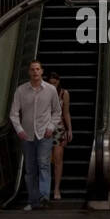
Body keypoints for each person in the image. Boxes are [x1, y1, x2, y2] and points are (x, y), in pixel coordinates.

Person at [10, 60, 62, 210]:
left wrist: (51, 127)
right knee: (30, 168)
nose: (35, 72)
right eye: (32, 69)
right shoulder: (21, 90)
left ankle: (44, 197)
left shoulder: (51, 90)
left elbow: (57, 111)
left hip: (44, 134)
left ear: (42, 71)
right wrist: (19, 130)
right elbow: (13, 113)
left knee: (44, 164)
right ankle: (33, 201)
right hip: (27, 135)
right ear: (29, 72)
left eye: (37, 69)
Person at [47, 70, 73, 201]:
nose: (54, 82)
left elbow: (66, 113)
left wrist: (69, 129)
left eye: (56, 80)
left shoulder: (64, 93)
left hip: (59, 129)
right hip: (44, 129)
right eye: (51, 80)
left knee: (58, 159)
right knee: (44, 160)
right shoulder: (43, 92)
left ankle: (56, 188)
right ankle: (44, 189)